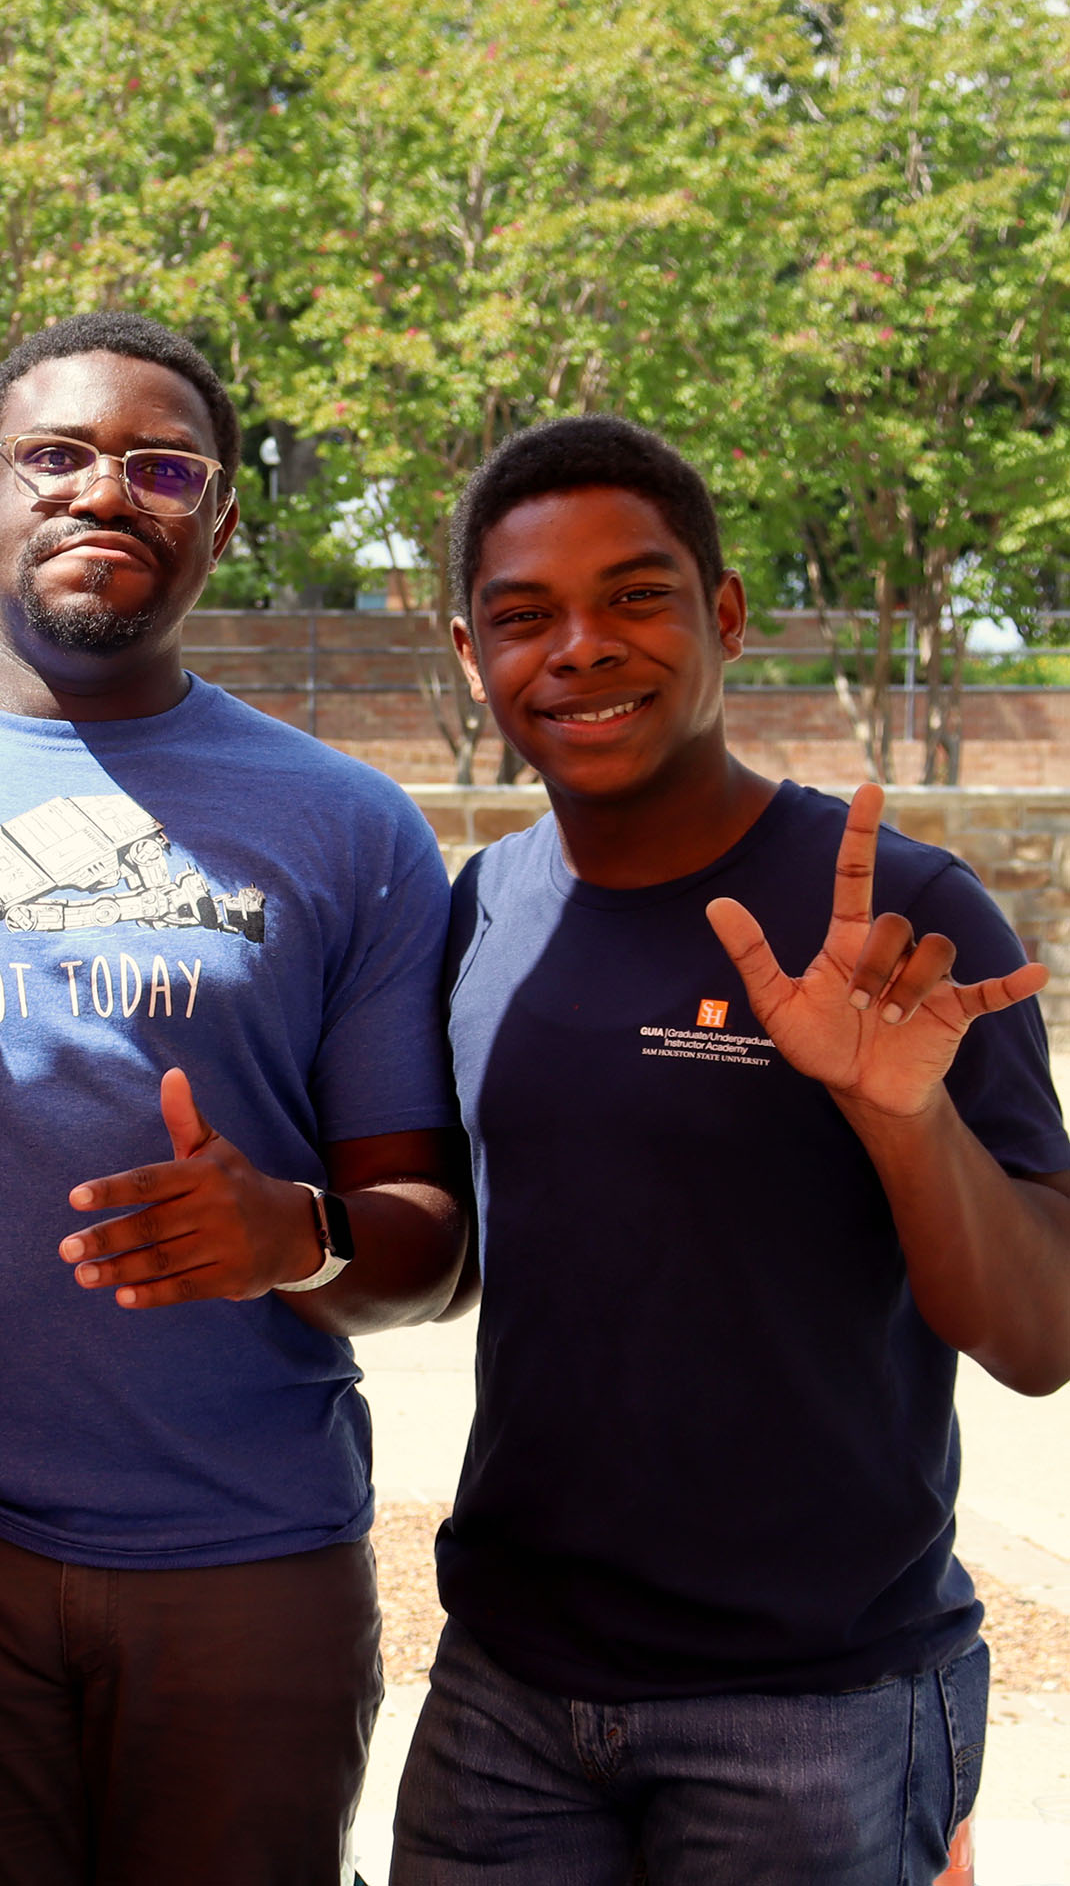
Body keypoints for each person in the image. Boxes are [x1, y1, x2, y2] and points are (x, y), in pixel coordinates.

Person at [0, 312, 475, 1882]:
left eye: (161, 466)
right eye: (53, 456)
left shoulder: (351, 827)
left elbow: (434, 1246)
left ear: (222, 523)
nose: (102, 492)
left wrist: (294, 1236)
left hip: (249, 1557)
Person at [393, 415, 1069, 1881]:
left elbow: (1035, 1334)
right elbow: (458, 1256)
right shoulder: (477, 909)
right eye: (524, 616)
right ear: (468, 654)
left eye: (634, 595)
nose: (577, 646)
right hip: (505, 1685)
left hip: (811, 1703)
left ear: (726, 616)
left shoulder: (895, 910)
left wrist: (903, 1118)